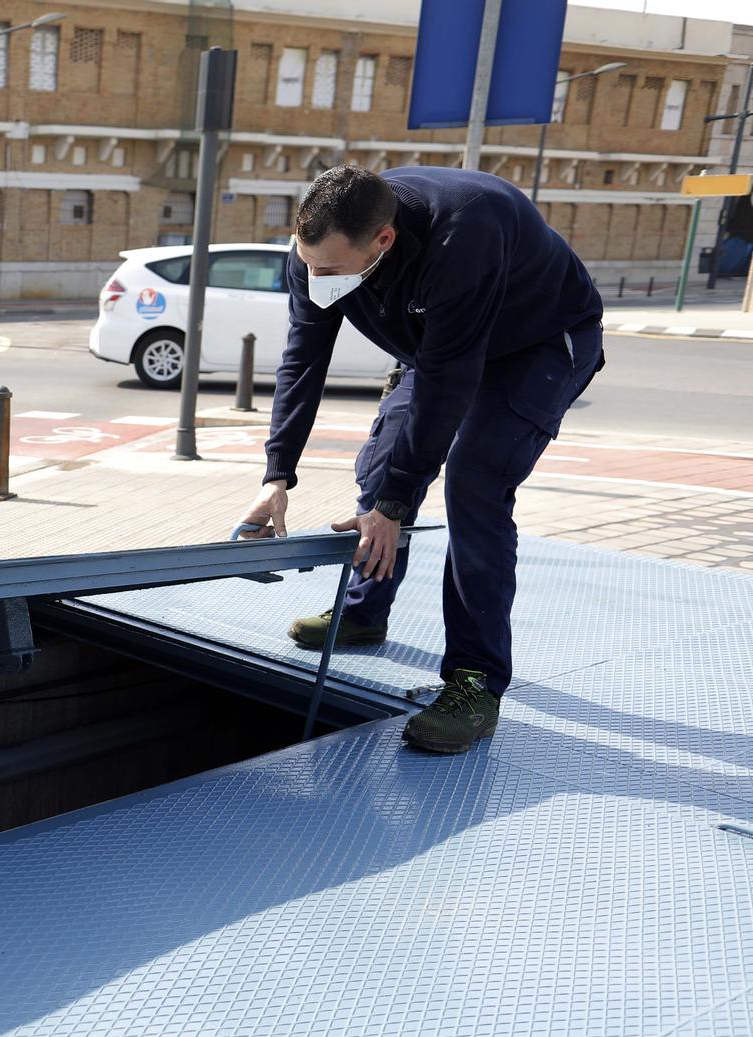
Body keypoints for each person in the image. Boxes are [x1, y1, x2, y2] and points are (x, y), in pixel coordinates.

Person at [239, 164, 604, 754]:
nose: (316, 279)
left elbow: (450, 380)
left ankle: (474, 681)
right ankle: (363, 613)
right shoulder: (317, 250)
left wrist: (395, 503)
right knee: (382, 468)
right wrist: (276, 473)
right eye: (309, 266)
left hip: (539, 341)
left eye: (330, 271)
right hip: (440, 348)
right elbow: (303, 358)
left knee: (474, 481)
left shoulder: (466, 232)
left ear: (383, 240)